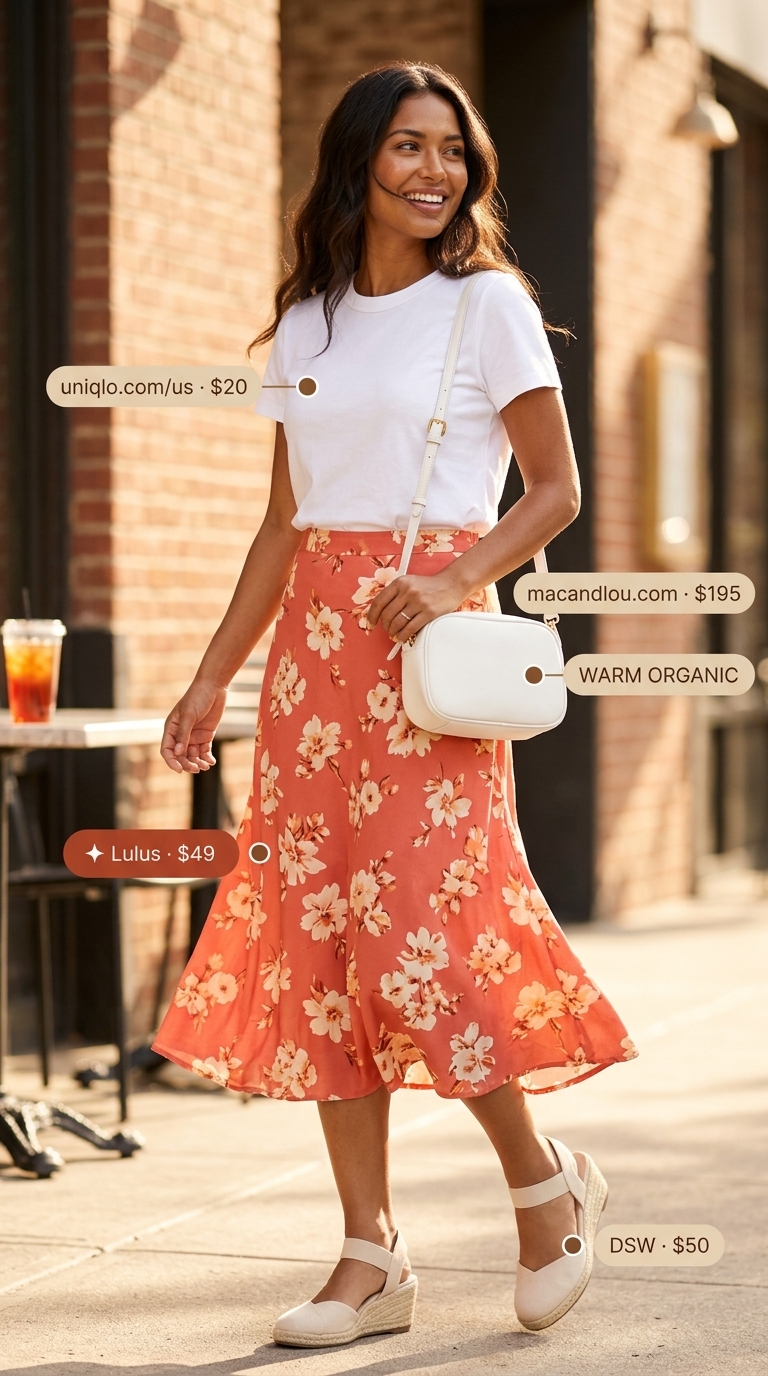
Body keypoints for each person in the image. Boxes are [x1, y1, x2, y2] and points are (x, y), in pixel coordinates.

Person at [154, 62, 636, 1348]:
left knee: (430, 935)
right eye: (410, 149)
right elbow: (279, 526)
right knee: (324, 951)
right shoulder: (306, 320)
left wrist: (454, 578)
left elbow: (555, 489)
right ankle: (371, 1254)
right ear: (358, 160)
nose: (436, 173)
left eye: (454, 152)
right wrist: (212, 677)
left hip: (427, 661)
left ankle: (544, 1190)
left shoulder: (489, 307)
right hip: (314, 669)